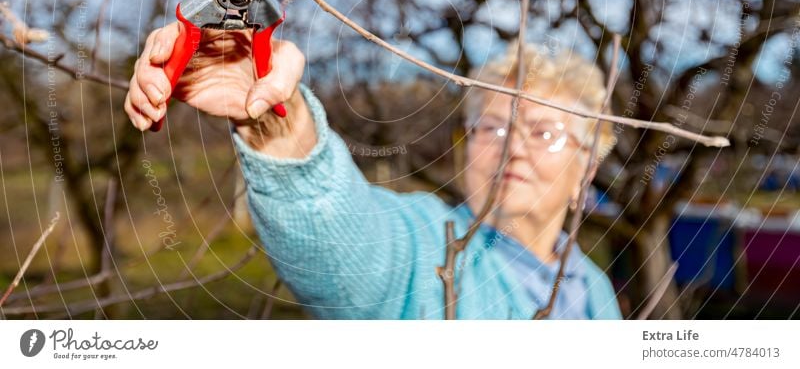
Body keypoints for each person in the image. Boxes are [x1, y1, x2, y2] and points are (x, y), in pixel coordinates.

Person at [125, 25, 622, 319]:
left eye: (544, 132)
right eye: (491, 127)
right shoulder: (430, 246)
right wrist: (273, 125)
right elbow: (354, 253)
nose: (513, 146)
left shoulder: (593, 288)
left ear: (587, 168)